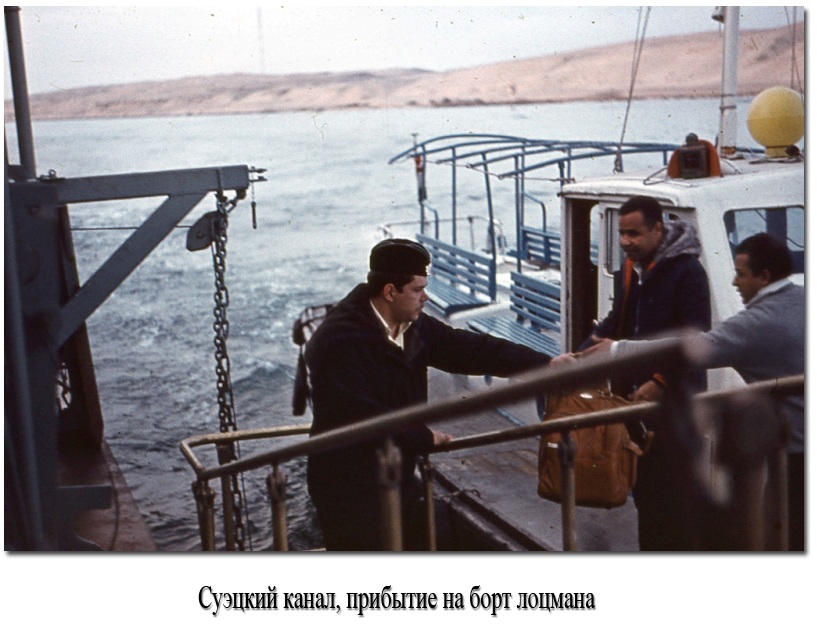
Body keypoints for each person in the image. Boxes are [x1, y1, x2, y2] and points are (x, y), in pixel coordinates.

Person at [304, 238, 571, 550]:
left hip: (395, 472)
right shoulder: (339, 340)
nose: (425, 297)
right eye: (417, 290)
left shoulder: (410, 325)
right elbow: (357, 414)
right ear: (390, 292)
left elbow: (470, 349)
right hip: (347, 487)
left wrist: (544, 365)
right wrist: (423, 437)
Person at [584, 233, 804, 550]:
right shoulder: (802, 298)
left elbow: (693, 348)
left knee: (788, 534)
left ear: (764, 276)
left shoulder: (757, 323)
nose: (734, 282)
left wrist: (616, 350)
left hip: (797, 454)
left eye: (741, 274)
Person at [582, 195, 712, 551]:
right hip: (636, 407)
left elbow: (696, 337)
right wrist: (582, 352)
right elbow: (619, 318)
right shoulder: (633, 268)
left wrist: (660, 381)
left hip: (675, 407)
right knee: (646, 494)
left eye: (634, 234)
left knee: (675, 498)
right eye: (622, 234)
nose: (626, 242)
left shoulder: (688, 272)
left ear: (658, 230)